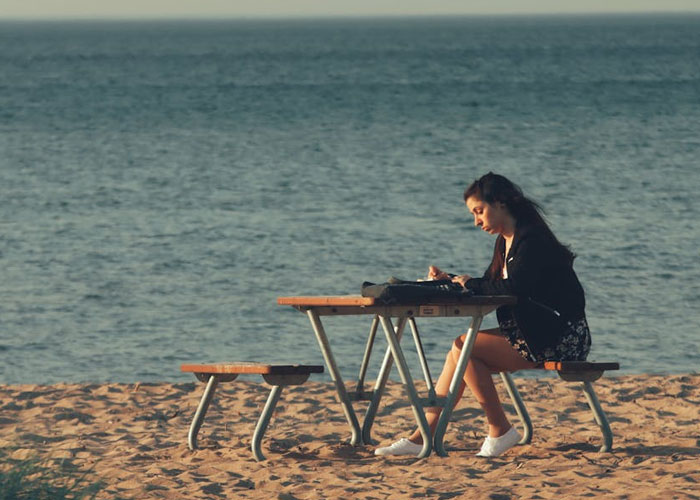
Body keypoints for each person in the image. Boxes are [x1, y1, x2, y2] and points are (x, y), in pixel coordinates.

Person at [375, 172, 591, 458]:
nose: (476, 221)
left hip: (562, 336)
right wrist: (452, 280)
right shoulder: (506, 241)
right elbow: (493, 283)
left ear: (500, 203)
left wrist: (469, 283)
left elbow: (514, 287)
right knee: (461, 350)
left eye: (479, 211)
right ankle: (423, 436)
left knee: (464, 347)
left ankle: (497, 430)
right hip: (536, 330)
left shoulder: (531, 240)